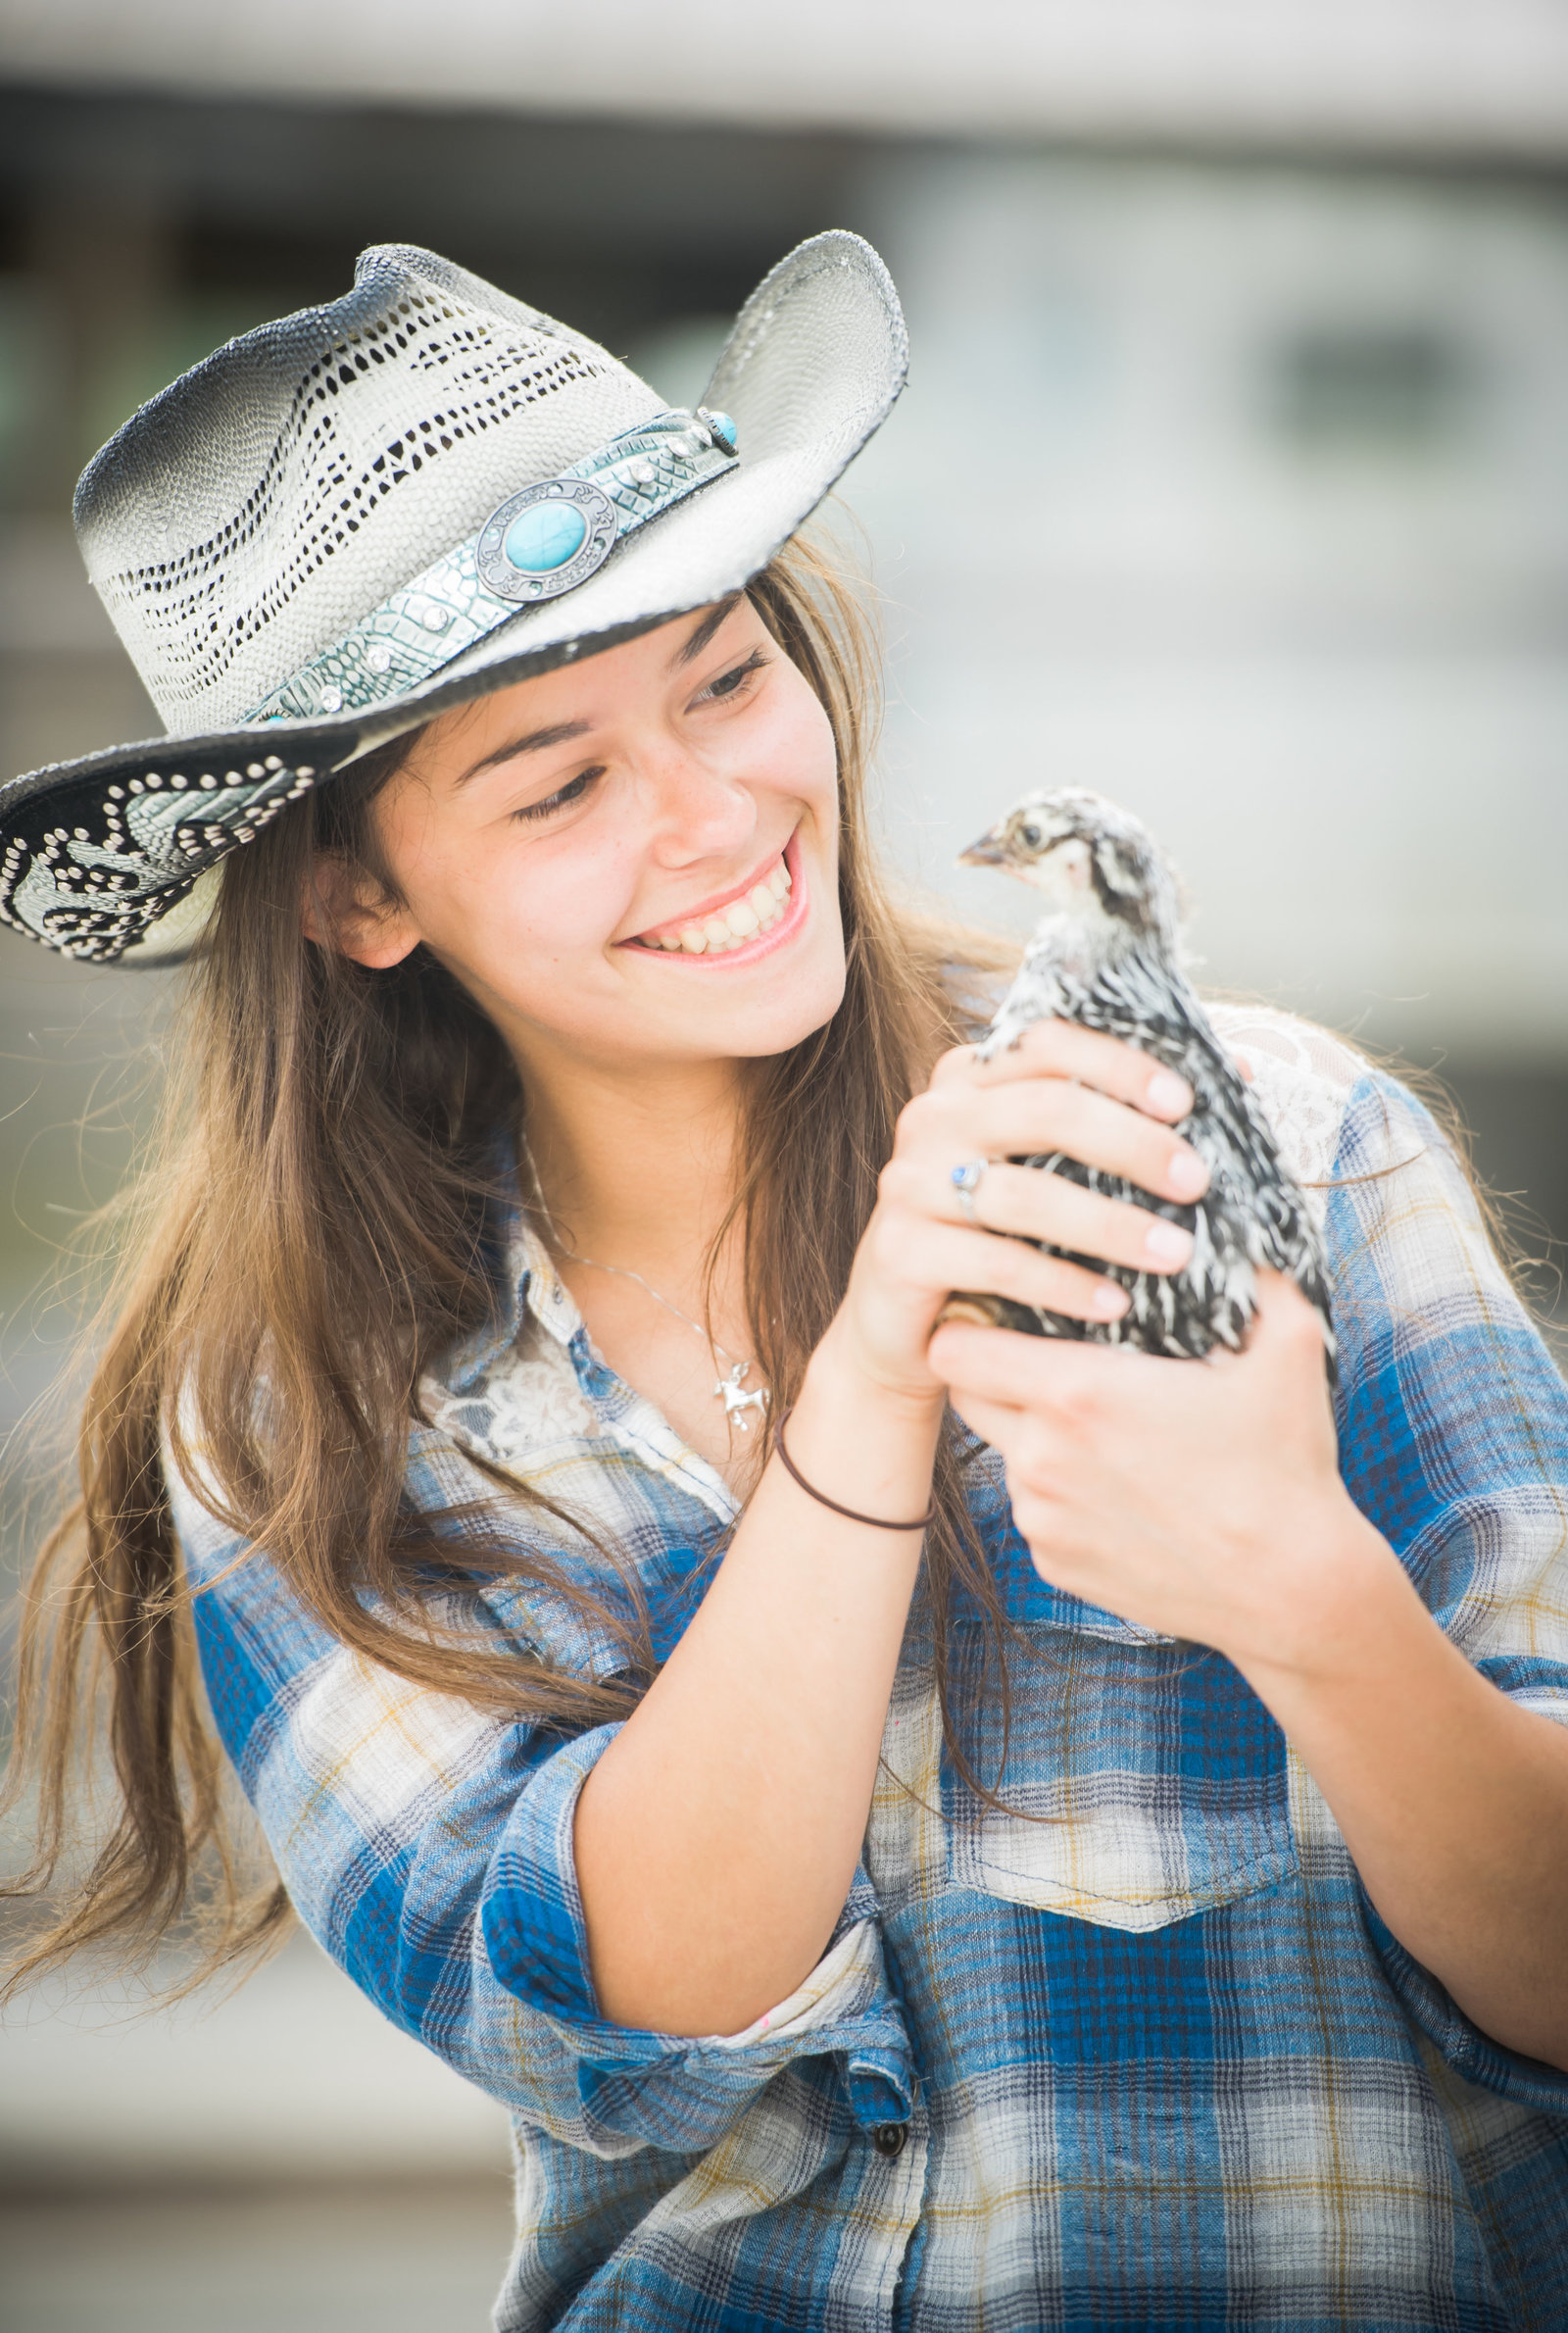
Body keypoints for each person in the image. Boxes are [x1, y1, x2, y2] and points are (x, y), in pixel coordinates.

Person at [5, 232, 1568, 2332]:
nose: (716, 813)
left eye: (727, 678)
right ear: (359, 894)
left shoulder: (1281, 1145)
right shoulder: (300, 1413)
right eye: (558, 784)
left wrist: (1300, 1585)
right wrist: (865, 1393)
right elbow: (635, 2004)